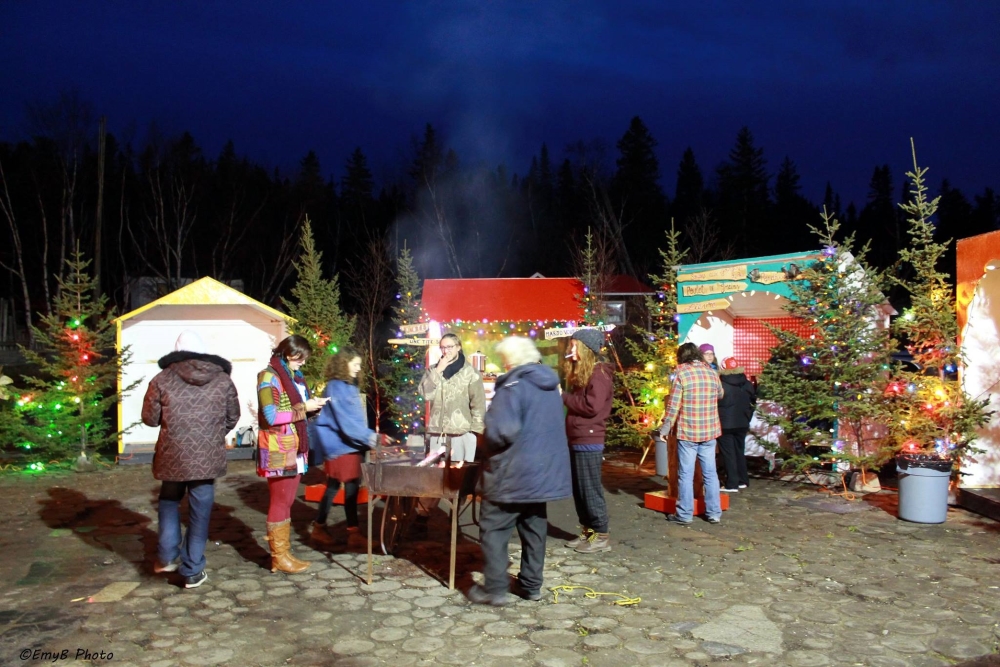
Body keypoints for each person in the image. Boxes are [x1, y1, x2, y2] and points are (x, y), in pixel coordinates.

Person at [467, 336, 571, 606]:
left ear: (510, 359)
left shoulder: (513, 385)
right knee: (534, 528)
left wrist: (484, 435)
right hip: (540, 474)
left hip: (512, 474)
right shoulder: (548, 385)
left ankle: (496, 588)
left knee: (493, 528)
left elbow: (502, 430)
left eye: (503, 359)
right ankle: (531, 585)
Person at [142, 331, 240, 589]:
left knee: (168, 501)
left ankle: (166, 556)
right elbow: (232, 416)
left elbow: (150, 419)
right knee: (200, 511)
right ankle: (193, 570)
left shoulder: (161, 379)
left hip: (172, 454)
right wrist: (212, 434)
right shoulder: (222, 380)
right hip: (207, 457)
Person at [308, 347, 393, 549]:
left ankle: (327, 528)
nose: (358, 368)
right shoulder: (336, 387)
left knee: (338, 486)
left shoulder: (347, 386)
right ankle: (344, 532)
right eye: (354, 364)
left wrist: (367, 438)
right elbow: (346, 422)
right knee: (345, 487)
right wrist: (373, 437)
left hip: (351, 444)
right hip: (341, 445)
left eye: (359, 365)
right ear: (343, 364)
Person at [257, 335, 328, 573]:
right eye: (301, 358)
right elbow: (272, 416)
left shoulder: (293, 377)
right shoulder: (269, 377)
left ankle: (283, 554)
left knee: (287, 500)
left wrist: (312, 406)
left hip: (294, 446)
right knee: (280, 500)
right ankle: (279, 556)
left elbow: (296, 409)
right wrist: (303, 409)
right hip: (279, 447)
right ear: (289, 354)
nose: (303, 363)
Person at [414, 333, 486, 531]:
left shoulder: (470, 373)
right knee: (433, 479)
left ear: (459, 347)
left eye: (450, 347)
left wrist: (474, 433)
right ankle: (422, 518)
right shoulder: (433, 371)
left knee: (458, 481)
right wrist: (438, 371)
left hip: (462, 435)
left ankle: (454, 518)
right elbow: (425, 394)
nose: (446, 351)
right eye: (443, 347)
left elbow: (478, 406)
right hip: (438, 435)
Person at [660, 342, 724, 525]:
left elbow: (673, 405)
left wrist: (665, 429)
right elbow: (720, 394)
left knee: (685, 474)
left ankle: (685, 514)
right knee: (710, 473)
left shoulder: (682, 373)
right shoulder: (712, 372)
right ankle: (714, 513)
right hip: (710, 431)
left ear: (681, 356)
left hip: (688, 431)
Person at [562, 328, 614, 554]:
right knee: (580, 489)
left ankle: (601, 535)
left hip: (589, 439)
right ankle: (588, 532)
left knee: (590, 489)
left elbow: (592, 406)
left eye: (575, 346)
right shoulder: (585, 373)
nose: (571, 350)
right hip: (577, 437)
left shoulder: (599, 374)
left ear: (586, 348)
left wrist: (562, 397)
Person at [718, 357, 756, 493]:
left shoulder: (721, 384)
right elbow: (753, 402)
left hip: (725, 423)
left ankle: (732, 483)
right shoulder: (746, 383)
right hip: (742, 422)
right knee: (739, 451)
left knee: (729, 454)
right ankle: (743, 480)